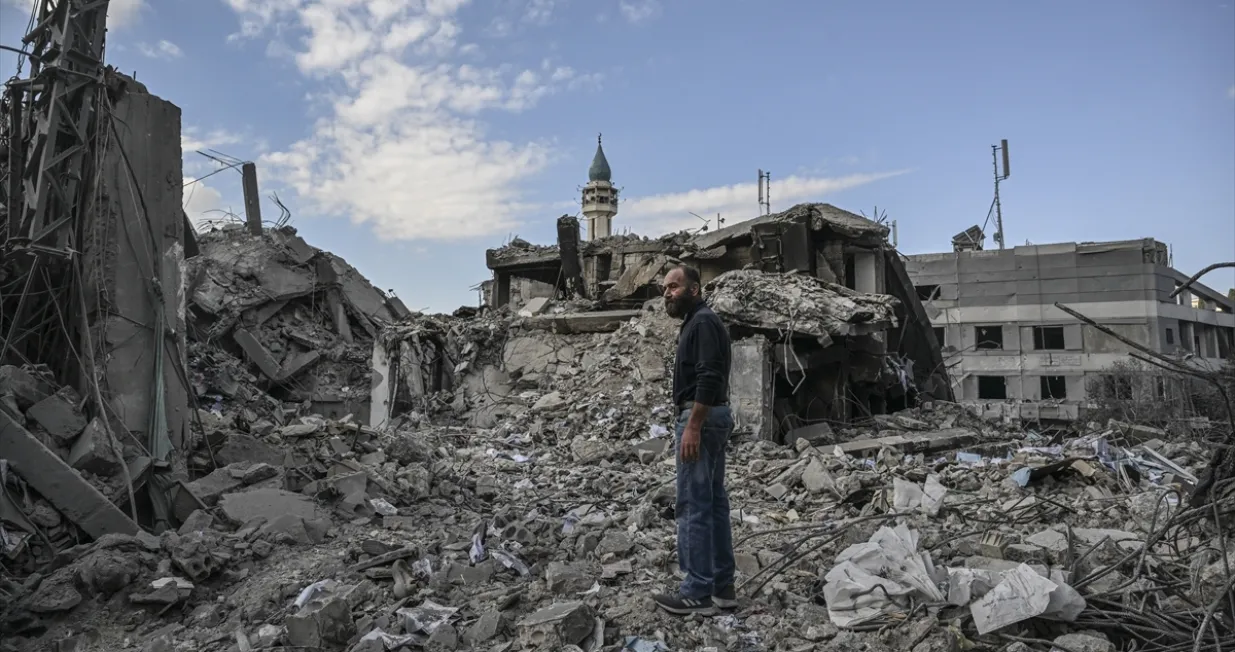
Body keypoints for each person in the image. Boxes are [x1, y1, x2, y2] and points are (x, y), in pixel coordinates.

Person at [653, 265, 737, 616]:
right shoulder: (700, 321)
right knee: (713, 501)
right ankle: (722, 587)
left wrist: (693, 426)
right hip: (712, 417)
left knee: (692, 504)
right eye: (664, 288)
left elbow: (709, 374)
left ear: (695, 289)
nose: (667, 293)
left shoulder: (702, 322)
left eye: (674, 286)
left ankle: (696, 591)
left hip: (700, 418)